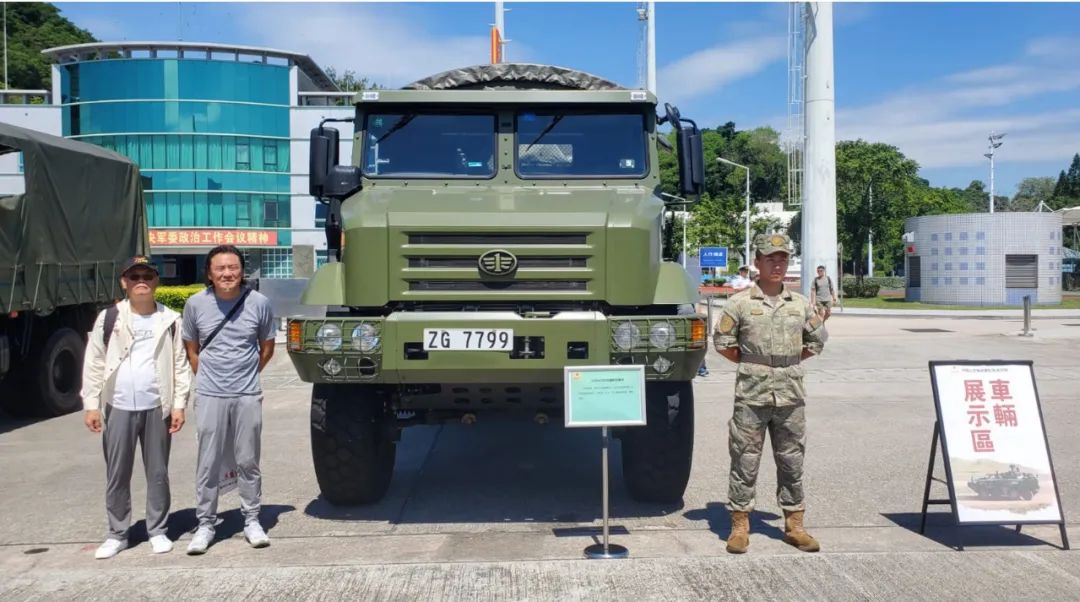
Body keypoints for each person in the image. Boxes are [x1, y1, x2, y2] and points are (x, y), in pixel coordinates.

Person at [712, 233, 828, 554]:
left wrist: (786, 364)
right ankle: (739, 525)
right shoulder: (740, 303)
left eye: (783, 259)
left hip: (791, 396)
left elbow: (817, 341)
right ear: (758, 263)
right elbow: (723, 343)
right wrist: (756, 365)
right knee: (745, 459)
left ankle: (794, 524)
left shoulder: (800, 304)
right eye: (770, 259)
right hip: (751, 396)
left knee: (792, 460)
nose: (777, 265)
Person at [81, 256, 190, 559]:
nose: (141, 280)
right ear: (124, 282)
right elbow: (94, 362)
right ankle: (117, 534)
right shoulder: (109, 318)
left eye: (147, 275)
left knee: (158, 472)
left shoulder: (170, 319)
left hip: (157, 406)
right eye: (134, 276)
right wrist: (91, 404)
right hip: (118, 406)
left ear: (156, 281)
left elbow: (180, 366)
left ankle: (158, 530)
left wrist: (179, 404)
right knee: (117, 473)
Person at [181, 245, 276, 554]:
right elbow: (192, 349)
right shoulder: (195, 304)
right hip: (209, 394)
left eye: (233, 267)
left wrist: (246, 375)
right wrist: (210, 377)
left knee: (248, 459)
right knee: (207, 462)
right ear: (209, 273)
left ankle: (251, 519)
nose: (227, 274)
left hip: (247, 393)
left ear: (241, 270)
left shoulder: (259, 303)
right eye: (220, 268)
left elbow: (267, 347)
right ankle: (206, 524)